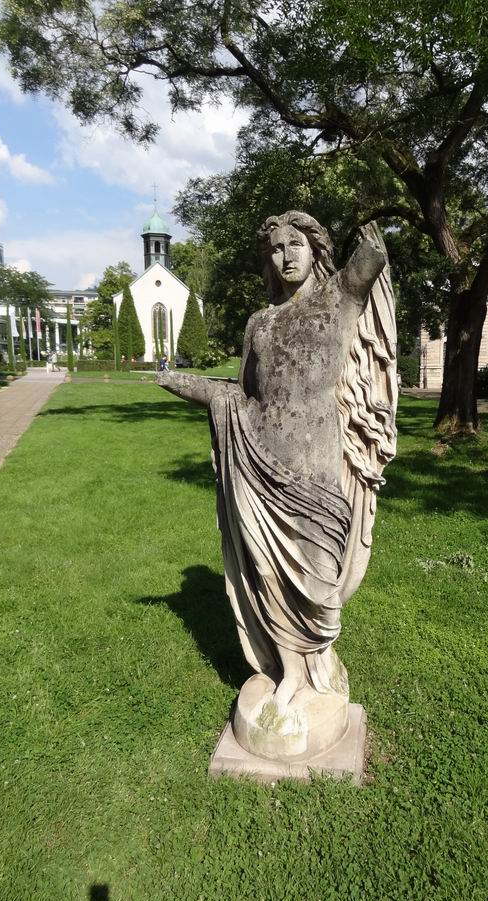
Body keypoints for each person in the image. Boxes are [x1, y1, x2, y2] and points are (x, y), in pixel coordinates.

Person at [158, 211, 397, 712]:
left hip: (315, 463)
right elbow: (241, 395)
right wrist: (181, 384)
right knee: (267, 573)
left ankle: (320, 660)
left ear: (315, 249)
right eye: (274, 248)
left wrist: (373, 239)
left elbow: (365, 264)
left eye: (295, 244)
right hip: (260, 456)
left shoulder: (339, 299)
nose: (284, 256)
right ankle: (290, 672)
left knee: (316, 573)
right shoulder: (259, 324)